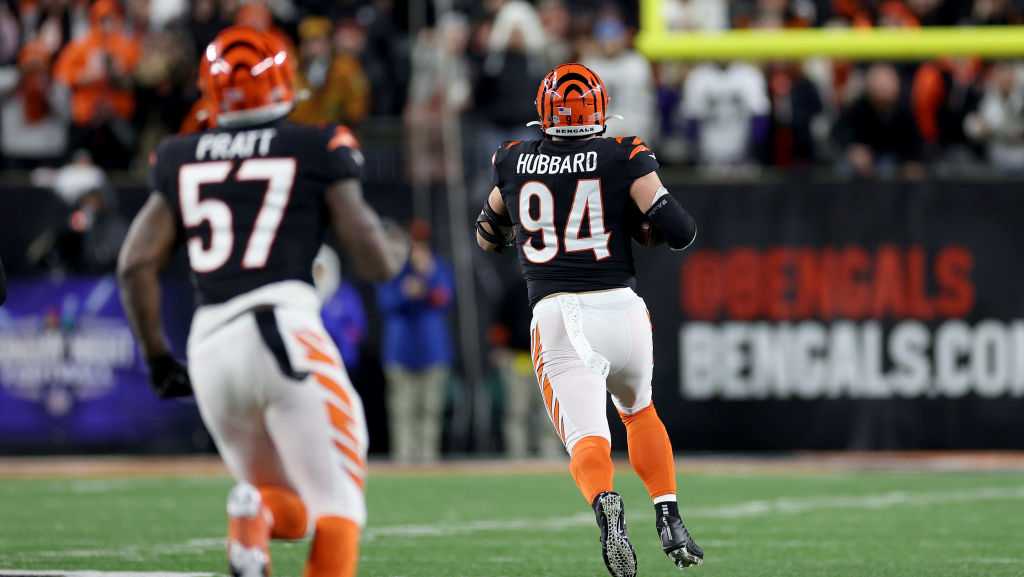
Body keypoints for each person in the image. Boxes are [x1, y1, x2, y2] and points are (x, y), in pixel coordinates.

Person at [116, 27, 406, 577]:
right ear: (282, 83)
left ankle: (252, 518)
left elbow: (134, 263)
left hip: (209, 347)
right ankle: (253, 515)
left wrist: (158, 358)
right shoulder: (316, 145)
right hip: (282, 330)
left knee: (288, 508)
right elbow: (375, 261)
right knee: (340, 506)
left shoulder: (179, 156)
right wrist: (393, 243)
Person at [475, 63, 703, 577]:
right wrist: (636, 220)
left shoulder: (511, 161)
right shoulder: (624, 153)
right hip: (622, 309)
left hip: (560, 314)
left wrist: (523, 231)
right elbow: (680, 230)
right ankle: (667, 510)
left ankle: (607, 506)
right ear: (599, 109)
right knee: (639, 411)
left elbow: (487, 233)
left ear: (543, 111)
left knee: (588, 438)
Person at [376, 221, 454, 464]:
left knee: (430, 411)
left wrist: (427, 277)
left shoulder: (436, 267)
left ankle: (428, 461)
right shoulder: (393, 269)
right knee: (403, 411)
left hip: (432, 351)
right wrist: (405, 292)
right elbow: (385, 303)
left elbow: (444, 297)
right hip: (400, 352)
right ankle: (404, 462)